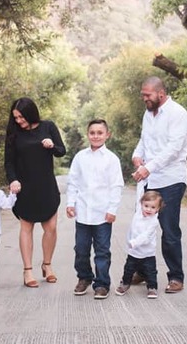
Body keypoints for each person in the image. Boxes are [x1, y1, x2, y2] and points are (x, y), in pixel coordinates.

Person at [130, 76, 187, 294]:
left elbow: (174, 149)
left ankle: (175, 277)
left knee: (169, 229)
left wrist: (149, 167)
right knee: (143, 226)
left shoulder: (178, 114)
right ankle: (143, 271)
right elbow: (144, 140)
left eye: (147, 95)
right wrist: (137, 156)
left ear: (161, 94)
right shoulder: (148, 114)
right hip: (151, 180)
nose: (144, 98)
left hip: (171, 180)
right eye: (143, 95)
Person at [4, 97, 66, 288]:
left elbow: (61, 151)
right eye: (15, 118)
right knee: (26, 227)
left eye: (21, 117)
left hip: (46, 185)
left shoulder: (48, 127)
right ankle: (28, 270)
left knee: (51, 228)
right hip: (25, 187)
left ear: (31, 114)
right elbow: (9, 162)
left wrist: (51, 145)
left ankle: (47, 265)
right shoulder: (14, 133)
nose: (18, 121)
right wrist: (13, 180)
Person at [65, 119, 124, 299]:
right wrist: (70, 203)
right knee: (81, 249)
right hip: (83, 212)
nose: (96, 136)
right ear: (88, 134)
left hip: (102, 214)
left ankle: (102, 284)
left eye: (100, 133)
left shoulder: (111, 159)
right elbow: (73, 182)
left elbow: (116, 186)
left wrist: (112, 209)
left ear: (107, 135)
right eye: (92, 133)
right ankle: (84, 277)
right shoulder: (80, 157)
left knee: (102, 251)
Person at [115, 181, 162, 299]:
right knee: (128, 269)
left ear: (158, 209)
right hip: (134, 252)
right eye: (146, 206)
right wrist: (141, 180)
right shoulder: (138, 213)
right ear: (141, 204)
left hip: (147, 253)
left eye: (153, 207)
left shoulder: (154, 222)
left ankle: (152, 288)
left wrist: (134, 242)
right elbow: (139, 194)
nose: (148, 209)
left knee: (150, 271)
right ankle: (125, 284)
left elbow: (146, 237)